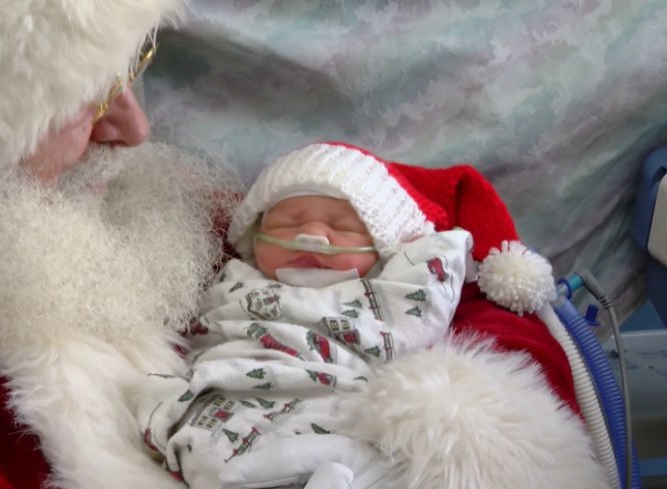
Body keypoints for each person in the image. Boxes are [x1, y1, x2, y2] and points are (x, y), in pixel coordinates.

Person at [0, 2, 608, 489]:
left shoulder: (140, 202)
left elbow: (451, 229)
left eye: (131, 68)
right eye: (85, 103)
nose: (134, 129)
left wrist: (465, 425)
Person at [139, 142, 478, 487]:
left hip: (333, 398)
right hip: (229, 394)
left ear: (382, 247)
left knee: (368, 456)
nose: (310, 236)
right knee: (204, 452)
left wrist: (429, 242)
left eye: (341, 227)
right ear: (253, 238)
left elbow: (433, 274)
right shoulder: (233, 280)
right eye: (288, 222)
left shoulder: (382, 292)